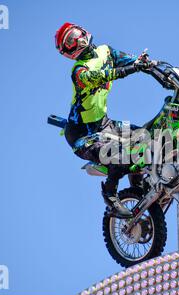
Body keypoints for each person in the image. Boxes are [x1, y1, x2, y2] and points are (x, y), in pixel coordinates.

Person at [55, 22, 152, 218]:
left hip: (104, 124)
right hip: (82, 134)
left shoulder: (105, 51)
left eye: (74, 36)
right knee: (118, 155)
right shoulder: (79, 71)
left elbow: (127, 59)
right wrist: (131, 69)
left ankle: (140, 189)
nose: (77, 42)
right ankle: (109, 193)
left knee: (145, 136)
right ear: (68, 53)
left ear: (82, 31)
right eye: (70, 43)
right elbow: (100, 76)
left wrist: (147, 64)